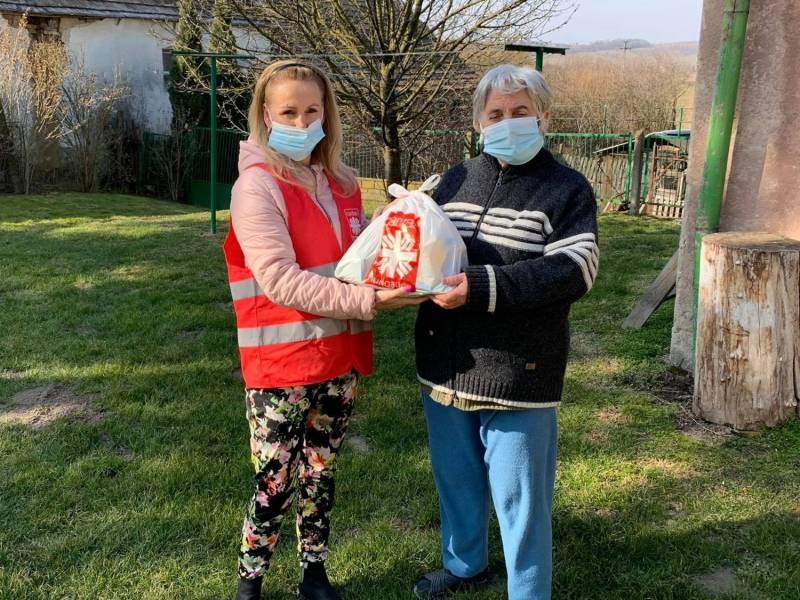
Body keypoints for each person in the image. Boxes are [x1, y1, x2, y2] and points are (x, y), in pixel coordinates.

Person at [223, 59, 421, 600]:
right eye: (288, 111)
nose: (302, 121)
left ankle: (314, 573)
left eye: (313, 110)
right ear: (266, 115)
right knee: (274, 480)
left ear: (327, 115)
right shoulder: (256, 186)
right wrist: (367, 300)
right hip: (281, 365)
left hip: (338, 357)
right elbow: (280, 280)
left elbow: (353, 259)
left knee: (320, 471)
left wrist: (396, 228)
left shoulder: (344, 183)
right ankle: (250, 582)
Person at [412, 64, 599, 600]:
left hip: (519, 373)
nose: (507, 122)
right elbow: (420, 243)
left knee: (522, 499)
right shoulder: (451, 181)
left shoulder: (566, 189)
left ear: (544, 117)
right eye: (495, 113)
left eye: (520, 112)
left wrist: (481, 286)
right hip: (445, 366)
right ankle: (465, 564)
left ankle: (529, 592)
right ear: (478, 122)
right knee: (456, 480)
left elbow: (575, 270)